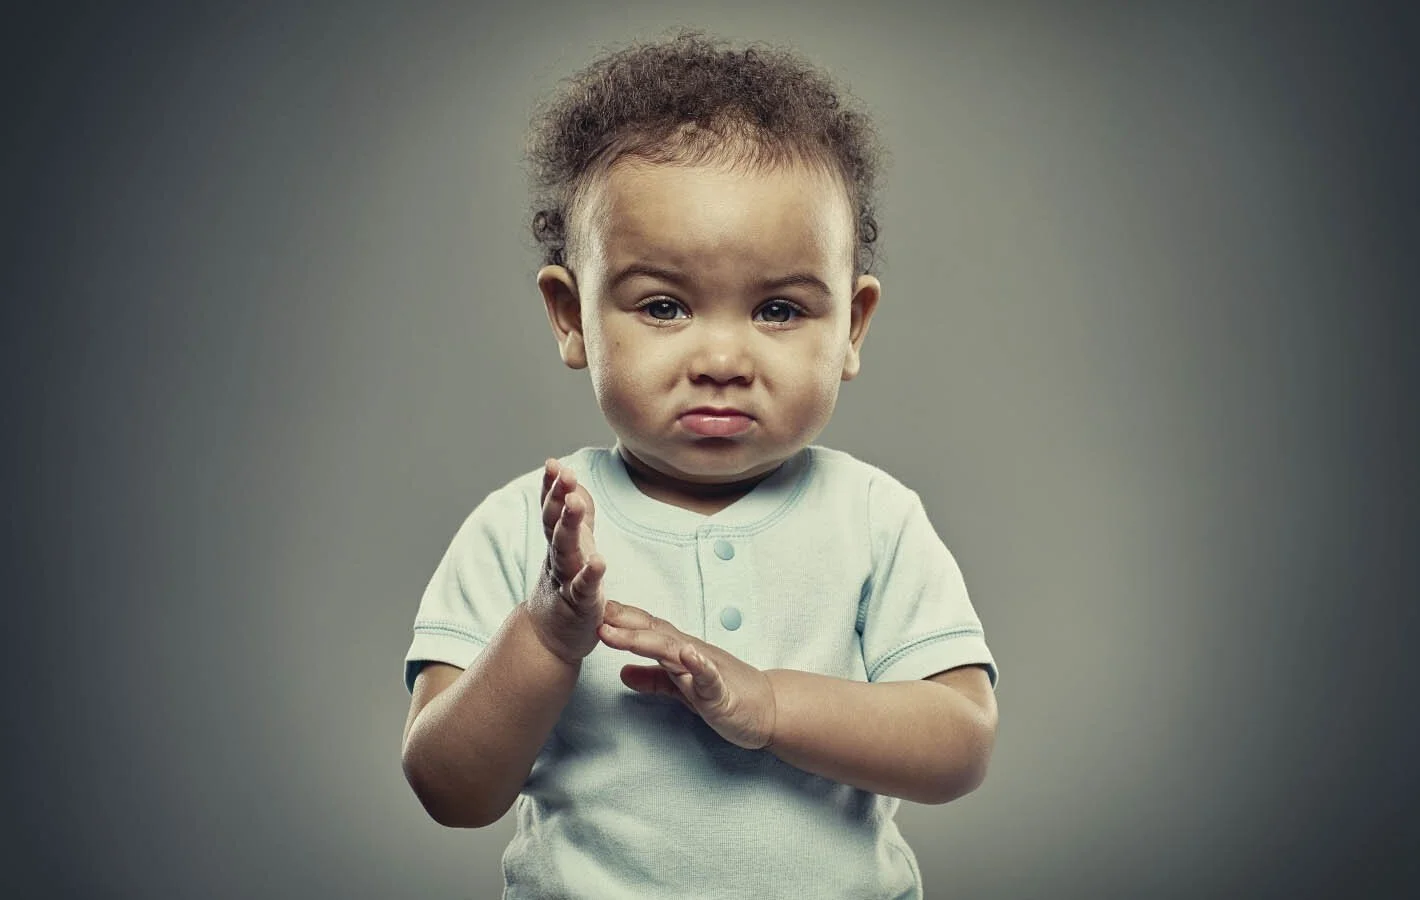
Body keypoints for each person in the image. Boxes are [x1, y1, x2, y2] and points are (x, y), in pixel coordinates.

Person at [400, 30, 1000, 899]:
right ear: (571, 315)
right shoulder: (528, 528)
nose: (722, 356)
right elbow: (449, 792)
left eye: (780, 308)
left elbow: (959, 746)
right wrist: (546, 634)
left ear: (853, 328)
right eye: (666, 306)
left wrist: (770, 704)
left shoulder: (874, 518)